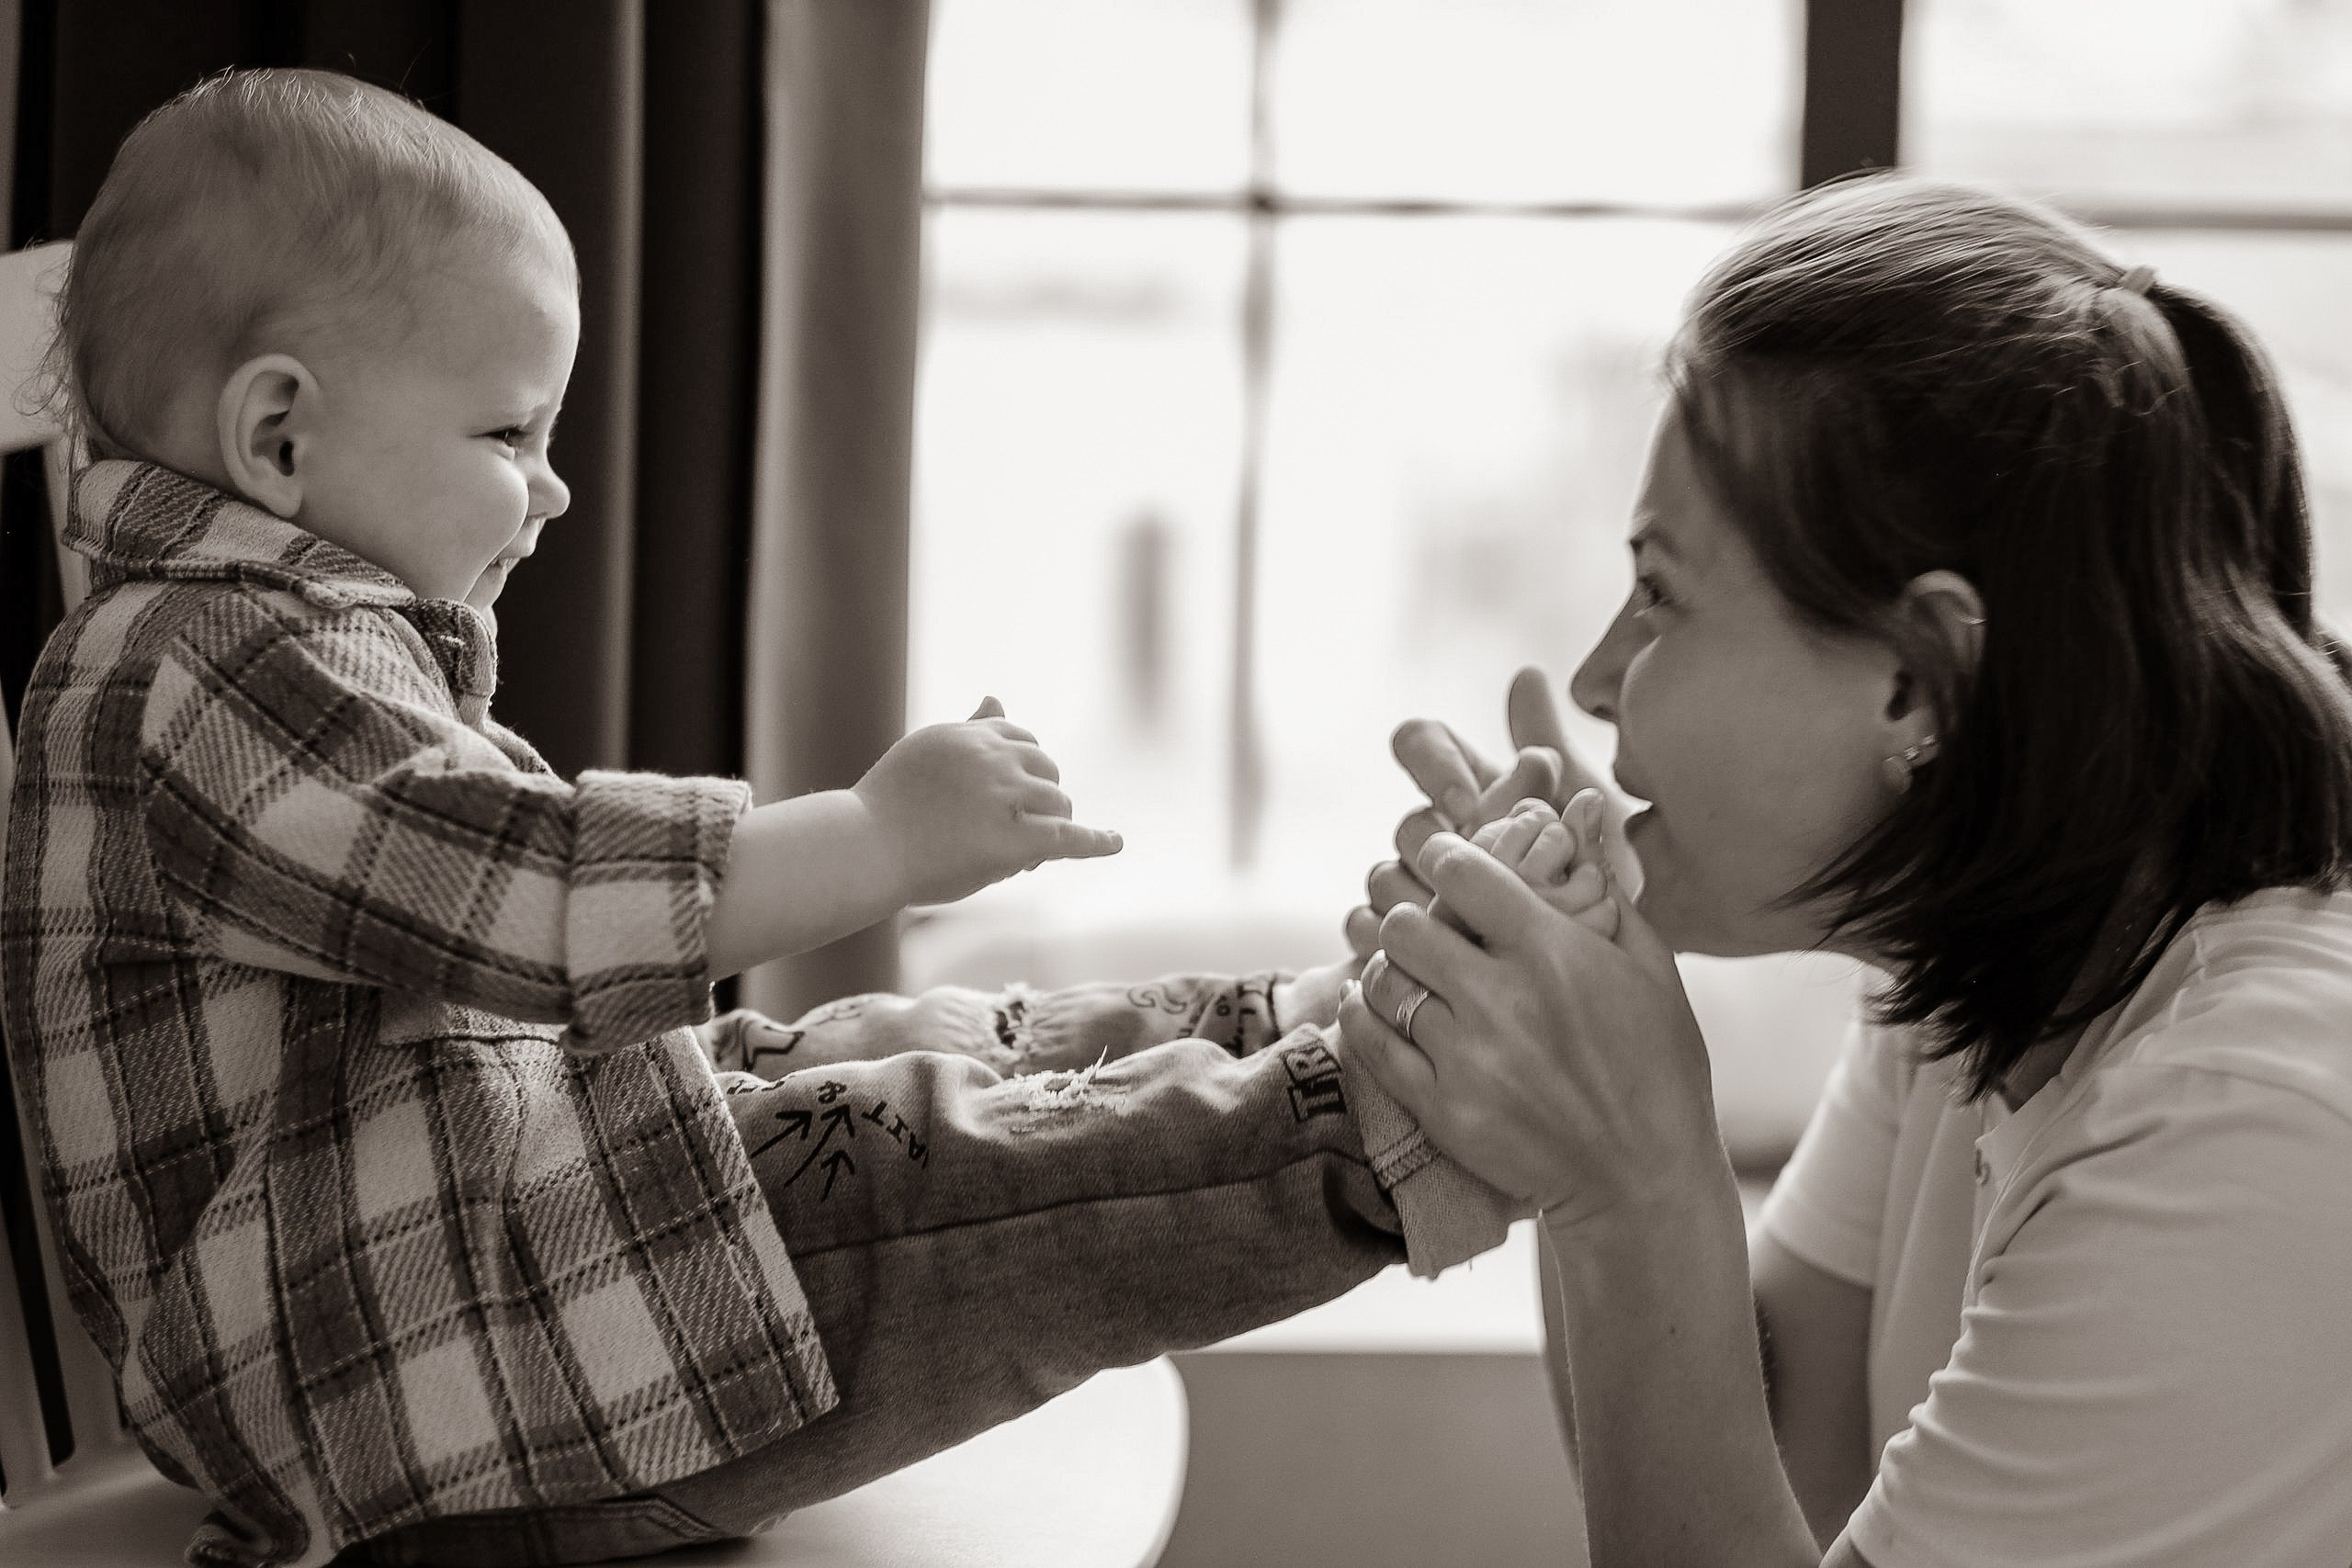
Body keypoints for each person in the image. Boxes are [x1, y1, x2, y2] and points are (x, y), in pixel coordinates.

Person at [0, 68, 1515, 1568]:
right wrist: (875, 838)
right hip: (418, 1389)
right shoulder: (208, 673)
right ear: (280, 437)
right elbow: (529, 897)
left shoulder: (240, 643)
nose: (553, 491)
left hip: (469, 1266)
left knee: (877, 1051)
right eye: (509, 436)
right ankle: (1404, 1115)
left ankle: (1295, 1027)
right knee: (920, 1171)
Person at [1342, 175, 2352, 1566]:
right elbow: (1787, 1468)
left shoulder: (2247, 1121)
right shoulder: (1980, 961)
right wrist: (1575, 1097)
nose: (1594, 677)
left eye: (1660, 592)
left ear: (1918, 683)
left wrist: (1629, 1165)